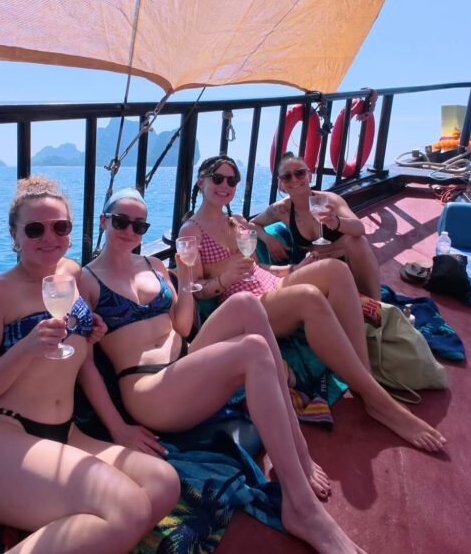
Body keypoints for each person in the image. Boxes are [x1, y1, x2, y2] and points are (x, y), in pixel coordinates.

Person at [80, 188, 379, 554]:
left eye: (139, 225)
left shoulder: (154, 264)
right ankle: (301, 506)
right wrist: (118, 430)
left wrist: (185, 277)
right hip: (149, 390)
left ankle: (299, 453)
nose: (129, 231)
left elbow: (183, 328)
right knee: (253, 351)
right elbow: (83, 361)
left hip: (183, 363)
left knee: (247, 306)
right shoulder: (86, 279)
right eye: (120, 221)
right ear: (104, 221)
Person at [0, 176, 180, 554]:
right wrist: (24, 348)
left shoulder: (72, 276)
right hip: (6, 438)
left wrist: (118, 427)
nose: (49, 238)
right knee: (128, 509)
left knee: (164, 484)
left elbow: (84, 363)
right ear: (14, 235)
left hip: (67, 435)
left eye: (60, 227)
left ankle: (64, 540)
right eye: (34, 229)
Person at [180, 155, 446, 453]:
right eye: (217, 178)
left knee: (336, 270)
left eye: (232, 180)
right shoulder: (191, 232)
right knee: (309, 296)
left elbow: (260, 270)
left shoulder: (238, 222)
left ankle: (365, 379)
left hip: (273, 286)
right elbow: (195, 288)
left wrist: (295, 269)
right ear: (200, 181)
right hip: (248, 305)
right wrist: (223, 280)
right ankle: (379, 401)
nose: (225, 185)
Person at [250, 152, 381, 298]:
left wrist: (336, 222)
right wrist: (268, 239)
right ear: (281, 183)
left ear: (309, 176)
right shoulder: (282, 210)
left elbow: (359, 228)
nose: (294, 179)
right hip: (319, 265)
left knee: (358, 243)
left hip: (348, 261)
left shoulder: (330, 200)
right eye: (287, 176)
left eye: (300, 173)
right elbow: (252, 224)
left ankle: (377, 305)